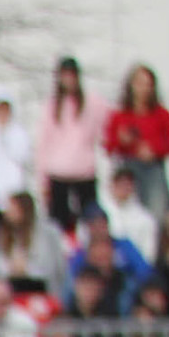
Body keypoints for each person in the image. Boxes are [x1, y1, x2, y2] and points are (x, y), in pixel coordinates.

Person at [37, 58, 107, 233]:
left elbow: (107, 129)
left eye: (71, 75)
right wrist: (43, 180)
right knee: (58, 227)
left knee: (90, 224)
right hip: (58, 174)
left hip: (84, 174)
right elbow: (44, 144)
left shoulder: (92, 102)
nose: (68, 80)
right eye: (65, 75)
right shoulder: (52, 106)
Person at [104, 65, 169, 213]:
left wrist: (155, 149)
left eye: (147, 84)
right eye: (139, 83)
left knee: (157, 210)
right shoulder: (120, 115)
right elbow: (109, 146)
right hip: (127, 168)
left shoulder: (161, 114)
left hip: (153, 168)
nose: (143, 89)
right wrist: (122, 141)